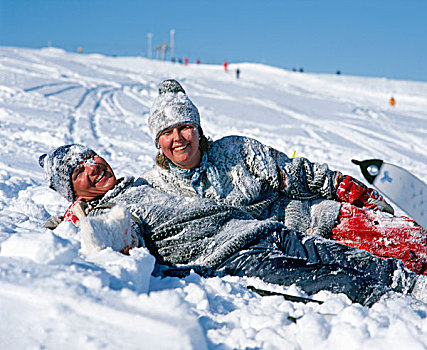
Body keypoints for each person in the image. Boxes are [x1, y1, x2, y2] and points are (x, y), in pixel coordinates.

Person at [38, 144, 427, 306]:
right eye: (78, 171)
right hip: (229, 257)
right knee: (333, 281)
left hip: (258, 228)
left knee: (348, 256)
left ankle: (414, 284)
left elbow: (290, 171)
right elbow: (113, 236)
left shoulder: (142, 182)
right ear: (70, 190)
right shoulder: (104, 213)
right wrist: (74, 222)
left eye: (91, 158)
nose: (92, 167)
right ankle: (398, 308)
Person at [144, 79, 427, 274]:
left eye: (185, 127)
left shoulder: (234, 150)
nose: (178, 138)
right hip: (276, 258)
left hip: (314, 222)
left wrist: (340, 185)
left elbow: (294, 173)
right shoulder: (158, 188)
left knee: (411, 245)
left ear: (198, 129)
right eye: (167, 132)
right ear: (158, 141)